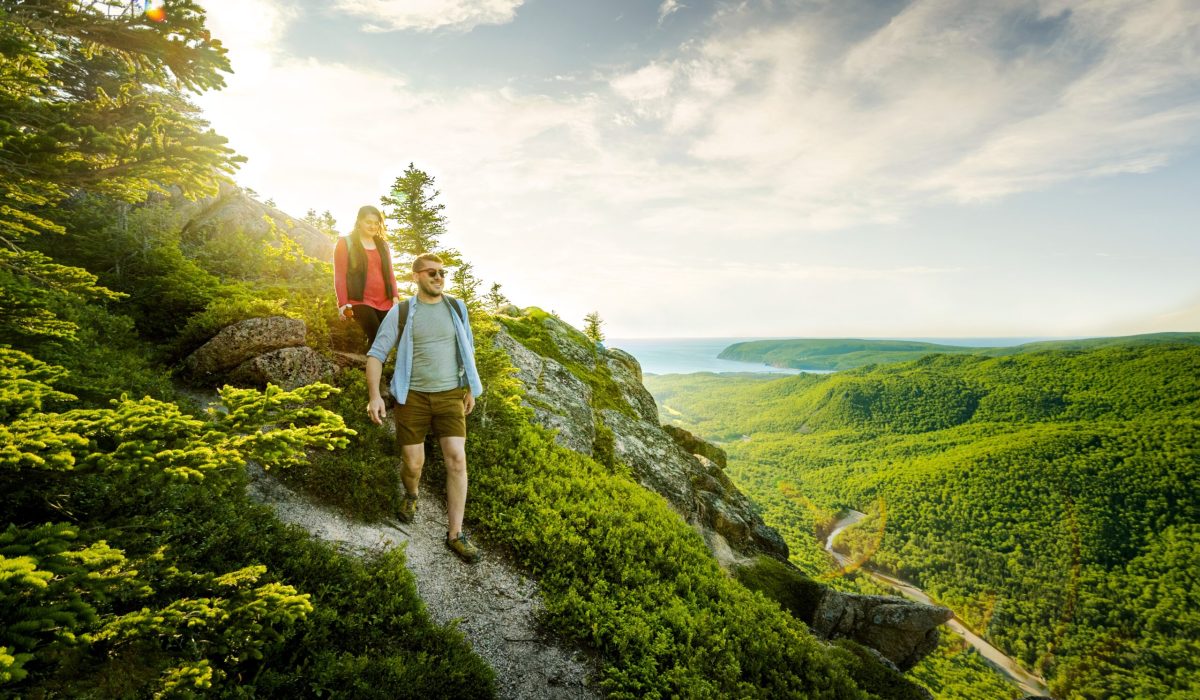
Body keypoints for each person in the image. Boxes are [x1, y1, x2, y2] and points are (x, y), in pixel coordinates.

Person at [365, 253, 485, 563]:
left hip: (450, 395)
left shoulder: (456, 308)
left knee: (457, 460)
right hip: (412, 397)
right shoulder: (402, 312)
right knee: (413, 464)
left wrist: (470, 387)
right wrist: (375, 396)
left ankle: (455, 534)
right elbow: (376, 354)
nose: (438, 277)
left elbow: (468, 348)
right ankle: (412, 495)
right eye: (431, 272)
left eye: (442, 273)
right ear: (416, 276)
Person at [334, 205, 399, 348]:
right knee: (377, 336)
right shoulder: (345, 243)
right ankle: (372, 369)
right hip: (359, 301)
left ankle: (369, 368)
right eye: (368, 222)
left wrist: (395, 296)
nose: (373, 226)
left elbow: (390, 272)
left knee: (386, 340)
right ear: (359, 222)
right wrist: (342, 303)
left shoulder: (383, 245)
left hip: (385, 301)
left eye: (376, 223)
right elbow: (340, 275)